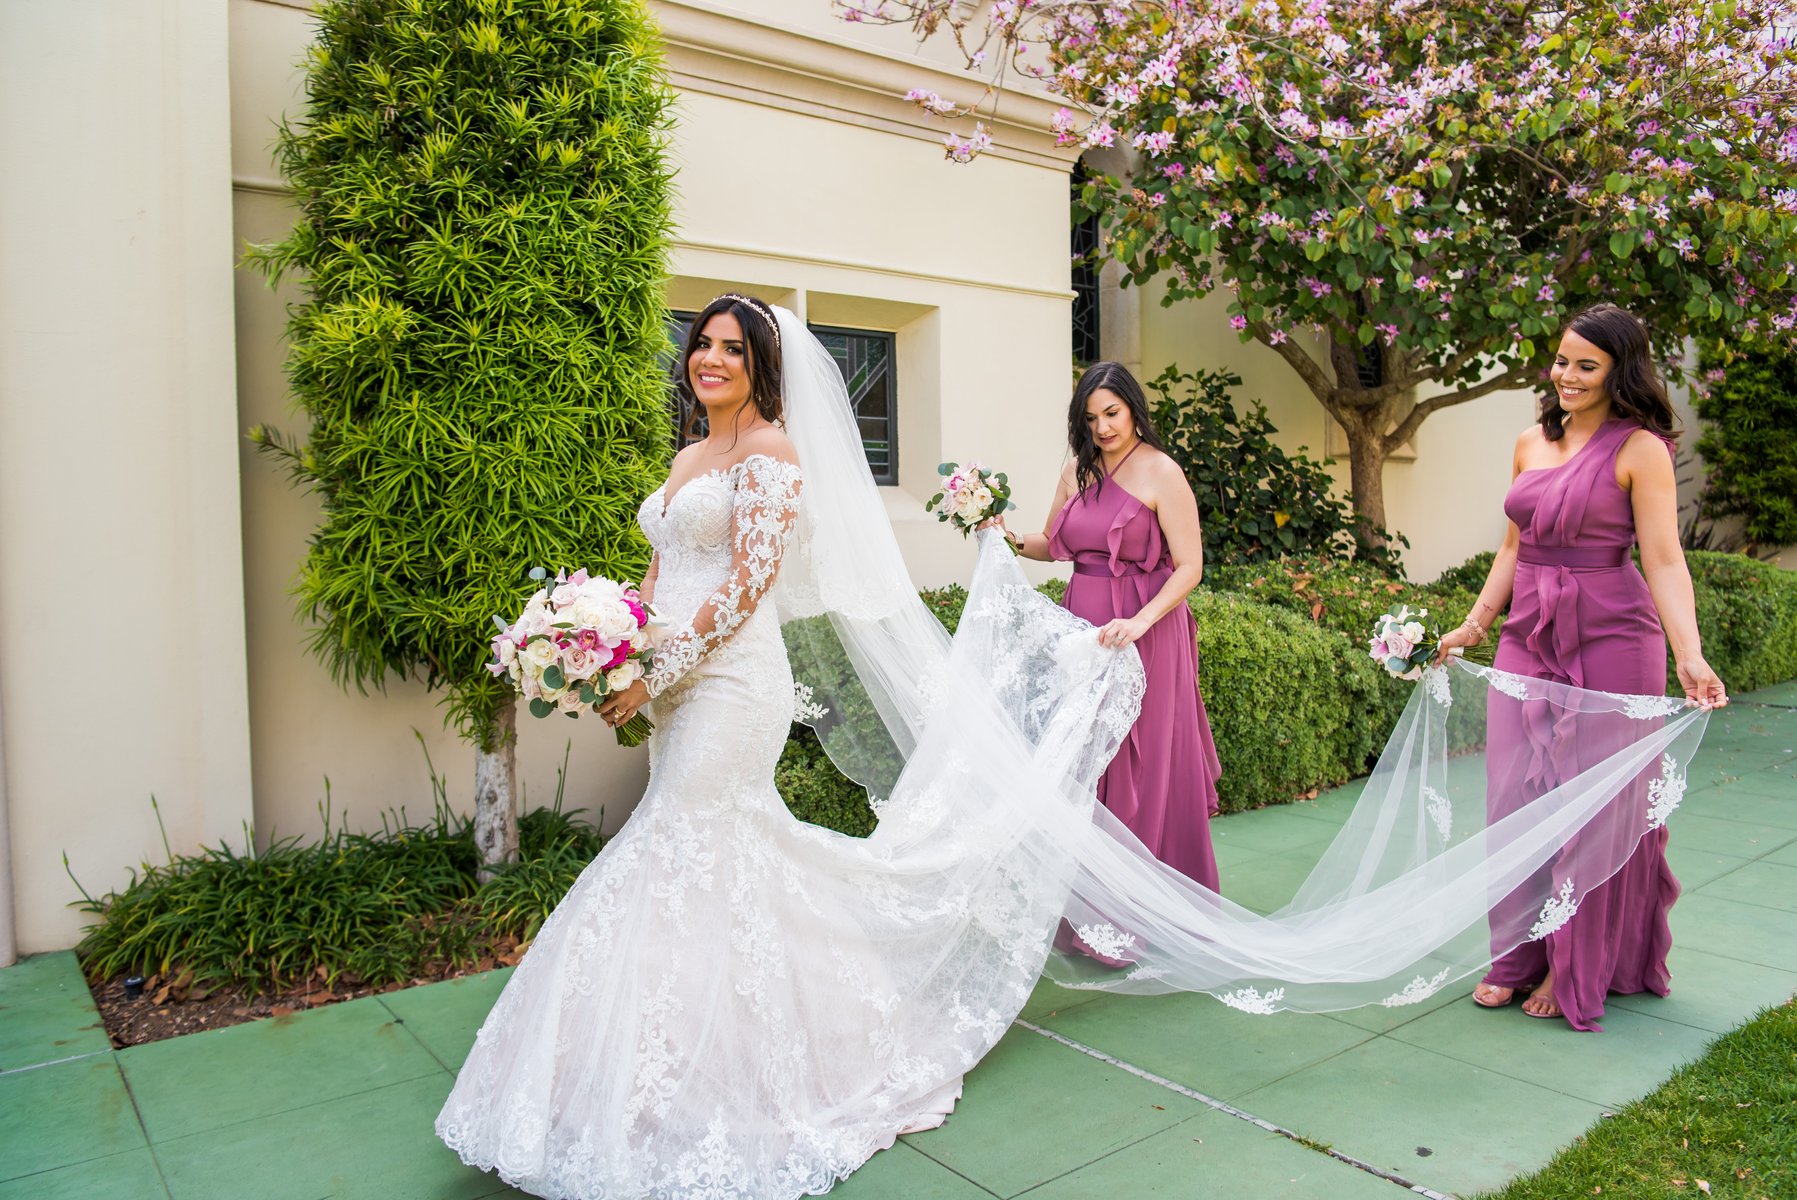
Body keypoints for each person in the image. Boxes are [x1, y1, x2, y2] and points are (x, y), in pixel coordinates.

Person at [1434, 302, 1727, 1029]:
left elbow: (1663, 559)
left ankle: (1571, 963)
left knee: (1595, 806)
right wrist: (1474, 624)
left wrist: (1689, 655)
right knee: (1514, 798)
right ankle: (1515, 955)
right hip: (1527, 634)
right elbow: (1512, 546)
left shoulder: (1641, 450)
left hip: (1614, 637)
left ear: (1619, 372)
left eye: (1585, 365)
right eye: (1561, 360)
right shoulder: (1529, 441)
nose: (1565, 375)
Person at [989, 362, 1221, 890]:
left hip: (1146, 629)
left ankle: (1148, 897)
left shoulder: (1162, 471)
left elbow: (1190, 566)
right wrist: (1007, 538)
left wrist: (1140, 621)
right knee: (1083, 757)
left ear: (1134, 409)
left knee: (1141, 759)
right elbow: (1053, 544)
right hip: (1083, 627)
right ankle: (1088, 902)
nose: (1103, 428)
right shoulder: (1077, 470)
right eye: (1091, 418)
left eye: (1112, 413)